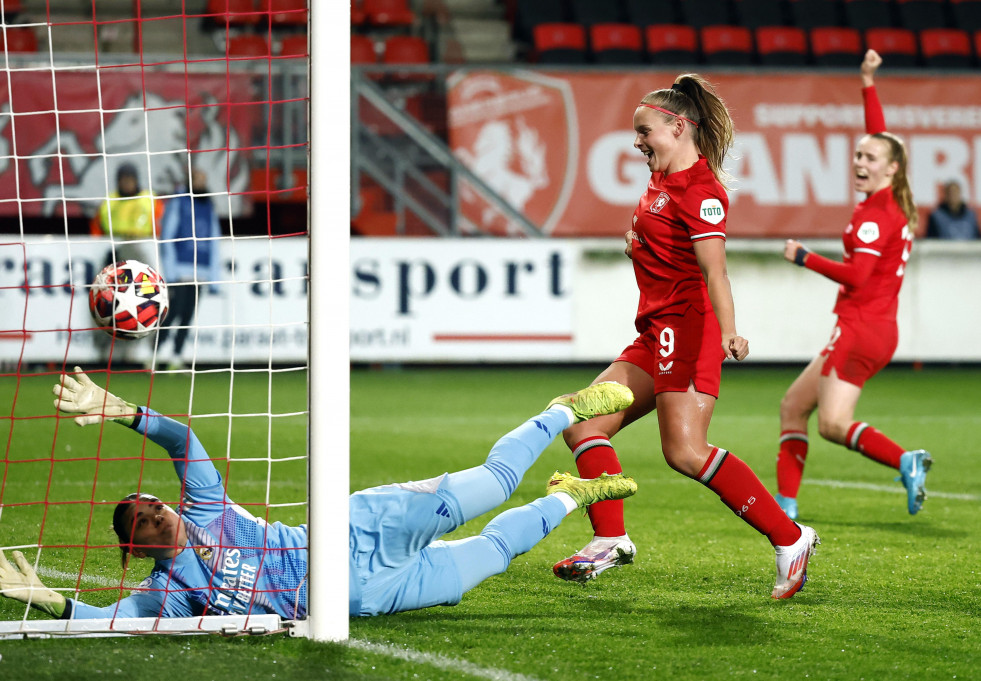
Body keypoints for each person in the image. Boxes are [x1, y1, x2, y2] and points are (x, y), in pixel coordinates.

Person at [0, 369, 637, 619]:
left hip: (361, 528)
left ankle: (562, 411)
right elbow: (107, 624)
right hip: (362, 596)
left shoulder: (208, 507)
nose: (153, 512)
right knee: (493, 555)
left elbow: (181, 441)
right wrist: (51, 600)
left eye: (150, 502)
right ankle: (570, 496)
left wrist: (123, 411)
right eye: (141, 520)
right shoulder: (168, 593)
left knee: (492, 483)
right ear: (136, 549)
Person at [550, 74, 819, 599]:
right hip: (654, 332)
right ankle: (610, 539)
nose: (637, 142)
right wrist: (639, 246)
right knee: (580, 422)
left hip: (689, 330)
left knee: (686, 452)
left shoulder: (702, 190)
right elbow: (665, 244)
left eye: (644, 131)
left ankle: (791, 539)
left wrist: (732, 331)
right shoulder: (661, 182)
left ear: (678, 127)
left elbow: (715, 272)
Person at [776, 50, 932, 522]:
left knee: (832, 424)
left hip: (860, 327)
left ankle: (905, 460)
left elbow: (859, 277)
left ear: (890, 169)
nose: (859, 161)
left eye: (868, 157)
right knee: (793, 406)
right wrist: (867, 83)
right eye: (857, 154)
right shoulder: (893, 201)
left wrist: (805, 257)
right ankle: (784, 508)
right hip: (875, 328)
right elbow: (884, 142)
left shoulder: (872, 217)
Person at [157, 168, 222, 369]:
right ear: (190, 181)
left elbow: (214, 241)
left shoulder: (208, 206)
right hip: (180, 269)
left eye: (204, 179)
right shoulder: (179, 202)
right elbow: (167, 237)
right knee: (172, 312)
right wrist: (171, 272)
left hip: (199, 272)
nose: (202, 182)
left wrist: (213, 276)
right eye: (198, 179)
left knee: (187, 316)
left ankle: (176, 356)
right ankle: (155, 354)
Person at [90, 163, 163, 265]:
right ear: (118, 181)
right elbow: (97, 225)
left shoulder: (149, 199)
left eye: (130, 180)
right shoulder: (109, 199)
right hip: (113, 245)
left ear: (136, 181)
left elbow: (159, 223)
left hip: (142, 243)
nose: (127, 183)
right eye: (123, 180)